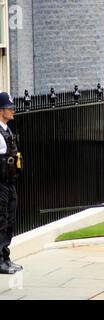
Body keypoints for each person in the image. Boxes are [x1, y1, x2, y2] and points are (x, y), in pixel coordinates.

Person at [0, 92, 23, 274]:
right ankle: (0, 261)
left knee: (10, 220)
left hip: (9, 182)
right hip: (0, 184)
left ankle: (6, 258)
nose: (13, 110)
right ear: (1, 110)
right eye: (9, 108)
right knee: (1, 220)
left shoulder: (6, 130)